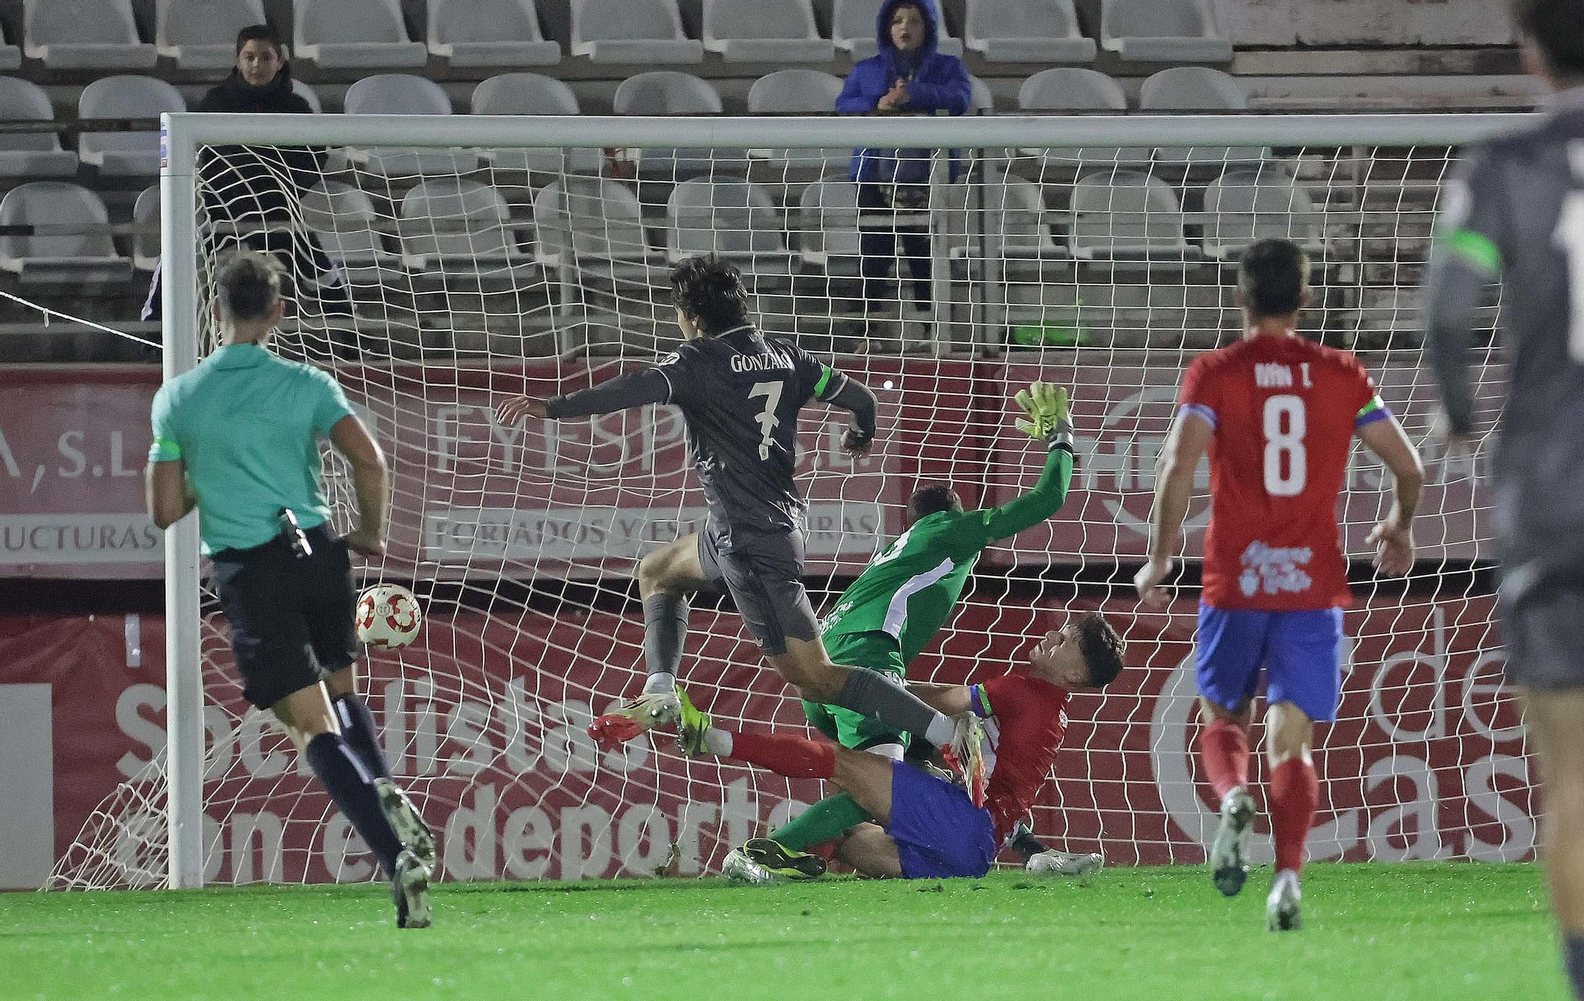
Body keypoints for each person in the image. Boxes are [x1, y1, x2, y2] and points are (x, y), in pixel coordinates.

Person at [494, 256, 988, 790]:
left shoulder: (695, 362)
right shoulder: (787, 357)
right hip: (756, 532)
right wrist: (861, 434)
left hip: (750, 546)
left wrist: (551, 406)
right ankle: (661, 688)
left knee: (817, 679)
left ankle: (945, 731)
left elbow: (629, 390)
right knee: (659, 571)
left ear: (692, 317)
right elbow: (862, 399)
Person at [1134, 238, 1424, 932]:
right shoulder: (1341, 374)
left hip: (1236, 578)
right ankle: (1288, 877)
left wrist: (1161, 554)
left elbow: (1178, 464)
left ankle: (1233, 794)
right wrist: (1399, 524)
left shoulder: (1216, 373)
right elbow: (1410, 467)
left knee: (1221, 716)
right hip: (1311, 586)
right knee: (1290, 739)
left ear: (1240, 297)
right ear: (1305, 298)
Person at [145, 251, 434, 927]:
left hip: (254, 568)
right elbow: (369, 457)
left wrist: (206, 476)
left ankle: (397, 857)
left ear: (217, 311)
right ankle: (384, 780)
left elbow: (163, 509)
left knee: (309, 726)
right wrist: (368, 531)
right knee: (341, 695)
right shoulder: (308, 383)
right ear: (278, 312)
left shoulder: (179, 398)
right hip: (320, 556)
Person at [721, 382, 1090, 878]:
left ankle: (821, 852)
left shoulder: (897, 550)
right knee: (885, 778)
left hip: (823, 660)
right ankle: (766, 853)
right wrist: (1062, 437)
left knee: (909, 771)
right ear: (952, 516)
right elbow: (1050, 497)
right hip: (867, 659)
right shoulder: (951, 532)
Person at [1423, 1, 1584, 995]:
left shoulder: (1502, 166)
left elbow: (1450, 309)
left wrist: (1455, 413)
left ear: (1530, 49)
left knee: (1575, 782)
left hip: (1556, 494)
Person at [675, 615, 1125, 882]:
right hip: (973, 856)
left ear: (1073, 676)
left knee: (845, 764)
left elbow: (937, 702)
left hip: (963, 822)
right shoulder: (1054, 710)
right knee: (850, 841)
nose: (1050, 637)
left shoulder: (1021, 691)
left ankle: (715, 743)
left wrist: (869, 686)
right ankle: (793, 859)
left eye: (1063, 642)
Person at [143, 25, 342, 323]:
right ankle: (149, 341)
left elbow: (313, 160)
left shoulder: (296, 108)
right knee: (173, 259)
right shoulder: (216, 104)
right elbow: (201, 160)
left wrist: (279, 191)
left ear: (280, 60)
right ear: (238, 60)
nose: (256, 65)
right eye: (249, 57)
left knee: (322, 271)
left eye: (265, 57)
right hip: (220, 214)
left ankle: (355, 340)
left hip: (276, 216)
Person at [835, 0, 971, 350]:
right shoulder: (867, 69)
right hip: (872, 175)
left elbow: (959, 99)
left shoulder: (948, 67)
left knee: (923, 252)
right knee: (874, 253)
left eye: (913, 21)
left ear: (928, 28)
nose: (904, 27)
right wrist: (876, 105)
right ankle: (867, 330)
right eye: (897, 21)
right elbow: (843, 106)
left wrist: (913, 94)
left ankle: (931, 327)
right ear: (886, 28)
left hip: (927, 176)